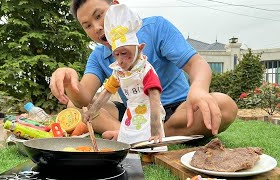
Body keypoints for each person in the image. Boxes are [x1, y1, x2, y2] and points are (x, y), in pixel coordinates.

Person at [49, 0, 238, 139]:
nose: (97, 27)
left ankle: (140, 136)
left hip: (177, 110)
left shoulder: (156, 27)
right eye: (88, 26)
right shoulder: (98, 56)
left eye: (99, 16)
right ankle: (127, 134)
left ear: (116, 6)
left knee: (225, 105)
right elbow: (84, 98)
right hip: (134, 111)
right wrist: (68, 81)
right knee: (75, 106)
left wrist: (198, 89)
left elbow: (197, 64)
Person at [82, 4, 167, 150]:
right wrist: (92, 111)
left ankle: (150, 152)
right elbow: (106, 92)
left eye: (125, 54)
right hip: (131, 110)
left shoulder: (145, 70)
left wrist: (155, 127)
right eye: (117, 54)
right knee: (126, 140)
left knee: (149, 141)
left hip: (149, 110)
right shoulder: (119, 71)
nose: (121, 60)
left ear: (139, 48)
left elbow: (154, 98)